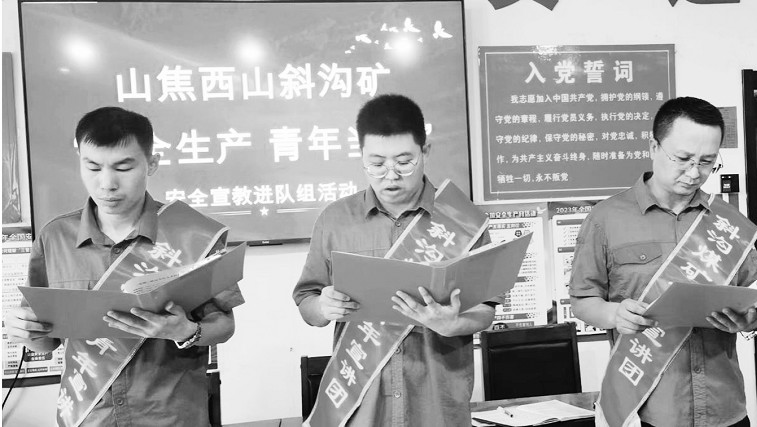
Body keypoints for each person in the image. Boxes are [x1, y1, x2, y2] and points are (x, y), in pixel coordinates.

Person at [4, 106, 244, 426]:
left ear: (152, 163)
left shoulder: (192, 234)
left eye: (123, 167)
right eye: (92, 167)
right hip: (91, 416)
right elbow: (45, 341)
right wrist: (23, 332)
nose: (107, 183)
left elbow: (225, 325)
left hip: (171, 415)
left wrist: (185, 331)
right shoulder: (56, 237)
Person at [292, 94, 499, 426]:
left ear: (425, 151)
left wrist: (454, 324)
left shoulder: (463, 221)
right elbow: (307, 302)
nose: (391, 175)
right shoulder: (335, 221)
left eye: (404, 162)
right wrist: (322, 307)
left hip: (437, 404)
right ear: (361, 154)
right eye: (376, 164)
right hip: (362, 406)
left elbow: (485, 310)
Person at [569, 96, 757, 427]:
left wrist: (749, 320)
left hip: (725, 407)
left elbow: (754, 295)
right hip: (649, 409)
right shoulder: (606, 218)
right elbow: (583, 299)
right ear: (653, 146)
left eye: (707, 162)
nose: (694, 173)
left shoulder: (728, 223)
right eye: (683, 159)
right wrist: (615, 314)